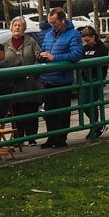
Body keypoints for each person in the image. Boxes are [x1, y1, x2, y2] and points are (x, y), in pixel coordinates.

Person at [36, 8, 83, 148]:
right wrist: (41, 56)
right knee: (49, 111)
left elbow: (76, 55)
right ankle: (51, 137)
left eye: (54, 23)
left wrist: (54, 58)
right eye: (50, 23)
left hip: (62, 79)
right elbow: (44, 48)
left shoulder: (74, 35)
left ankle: (60, 138)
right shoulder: (49, 35)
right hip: (48, 79)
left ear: (63, 21)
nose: (52, 26)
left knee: (62, 111)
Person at [0, 16, 43, 143]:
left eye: (20, 25)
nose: (17, 27)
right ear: (11, 28)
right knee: (16, 112)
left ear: (24, 28)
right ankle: (18, 139)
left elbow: (38, 58)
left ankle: (31, 138)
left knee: (31, 111)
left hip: (30, 83)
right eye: (15, 25)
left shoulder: (31, 42)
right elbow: (2, 61)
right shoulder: (6, 44)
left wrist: (34, 72)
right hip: (14, 85)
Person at [78, 25, 109, 139]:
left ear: (93, 37)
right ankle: (96, 124)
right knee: (84, 103)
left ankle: (96, 125)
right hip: (86, 79)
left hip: (96, 78)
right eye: (84, 40)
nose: (86, 42)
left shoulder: (101, 48)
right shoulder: (84, 48)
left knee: (91, 102)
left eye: (88, 40)